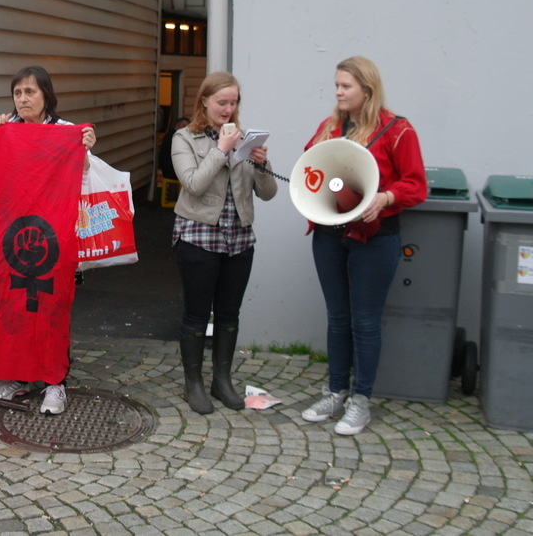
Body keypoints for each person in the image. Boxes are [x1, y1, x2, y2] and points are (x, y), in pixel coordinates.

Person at [300, 56, 427, 435]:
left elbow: (415, 184)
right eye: (337, 85)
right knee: (338, 318)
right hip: (330, 235)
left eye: (346, 86)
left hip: (375, 238)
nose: (338, 92)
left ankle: (361, 400)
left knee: (365, 322)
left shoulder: (397, 130)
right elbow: (311, 168)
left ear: (367, 91)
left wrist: (385, 197)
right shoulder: (329, 127)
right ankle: (335, 392)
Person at [0, 65, 96, 415]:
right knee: (12, 307)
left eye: (30, 92)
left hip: (54, 235)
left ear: (46, 95)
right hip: (13, 235)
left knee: (52, 309)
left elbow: (85, 177)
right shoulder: (7, 130)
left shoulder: (65, 132)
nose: (23, 99)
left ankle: (54, 382)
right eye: (17, 93)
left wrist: (85, 150)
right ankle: (16, 376)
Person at [170, 73, 277, 414]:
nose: (228, 109)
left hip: (239, 240)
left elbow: (269, 193)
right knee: (197, 313)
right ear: (204, 101)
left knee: (230, 313)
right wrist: (220, 151)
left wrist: (261, 165)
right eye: (222, 102)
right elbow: (193, 184)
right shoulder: (184, 138)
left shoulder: (244, 139)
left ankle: (222, 380)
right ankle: (193, 384)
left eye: (233, 102)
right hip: (198, 237)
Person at [159, 116, 190, 181]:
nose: (185, 129)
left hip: (170, 169)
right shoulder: (174, 137)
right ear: (177, 125)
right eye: (183, 126)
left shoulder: (175, 135)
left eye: (187, 127)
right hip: (171, 170)